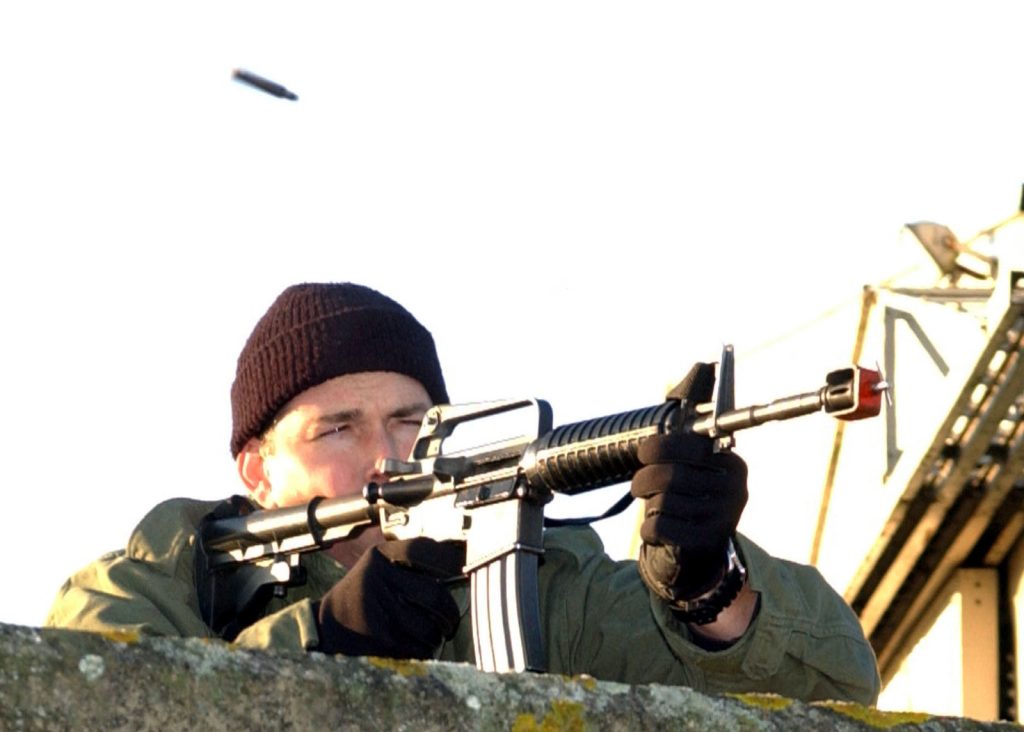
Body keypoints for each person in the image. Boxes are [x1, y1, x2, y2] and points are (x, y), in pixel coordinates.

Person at [46, 282, 881, 704]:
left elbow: (843, 685)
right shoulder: (152, 584)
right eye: (338, 428)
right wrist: (328, 640)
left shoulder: (523, 572)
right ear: (256, 471)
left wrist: (709, 590)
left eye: (409, 420)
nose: (383, 456)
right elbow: (77, 701)